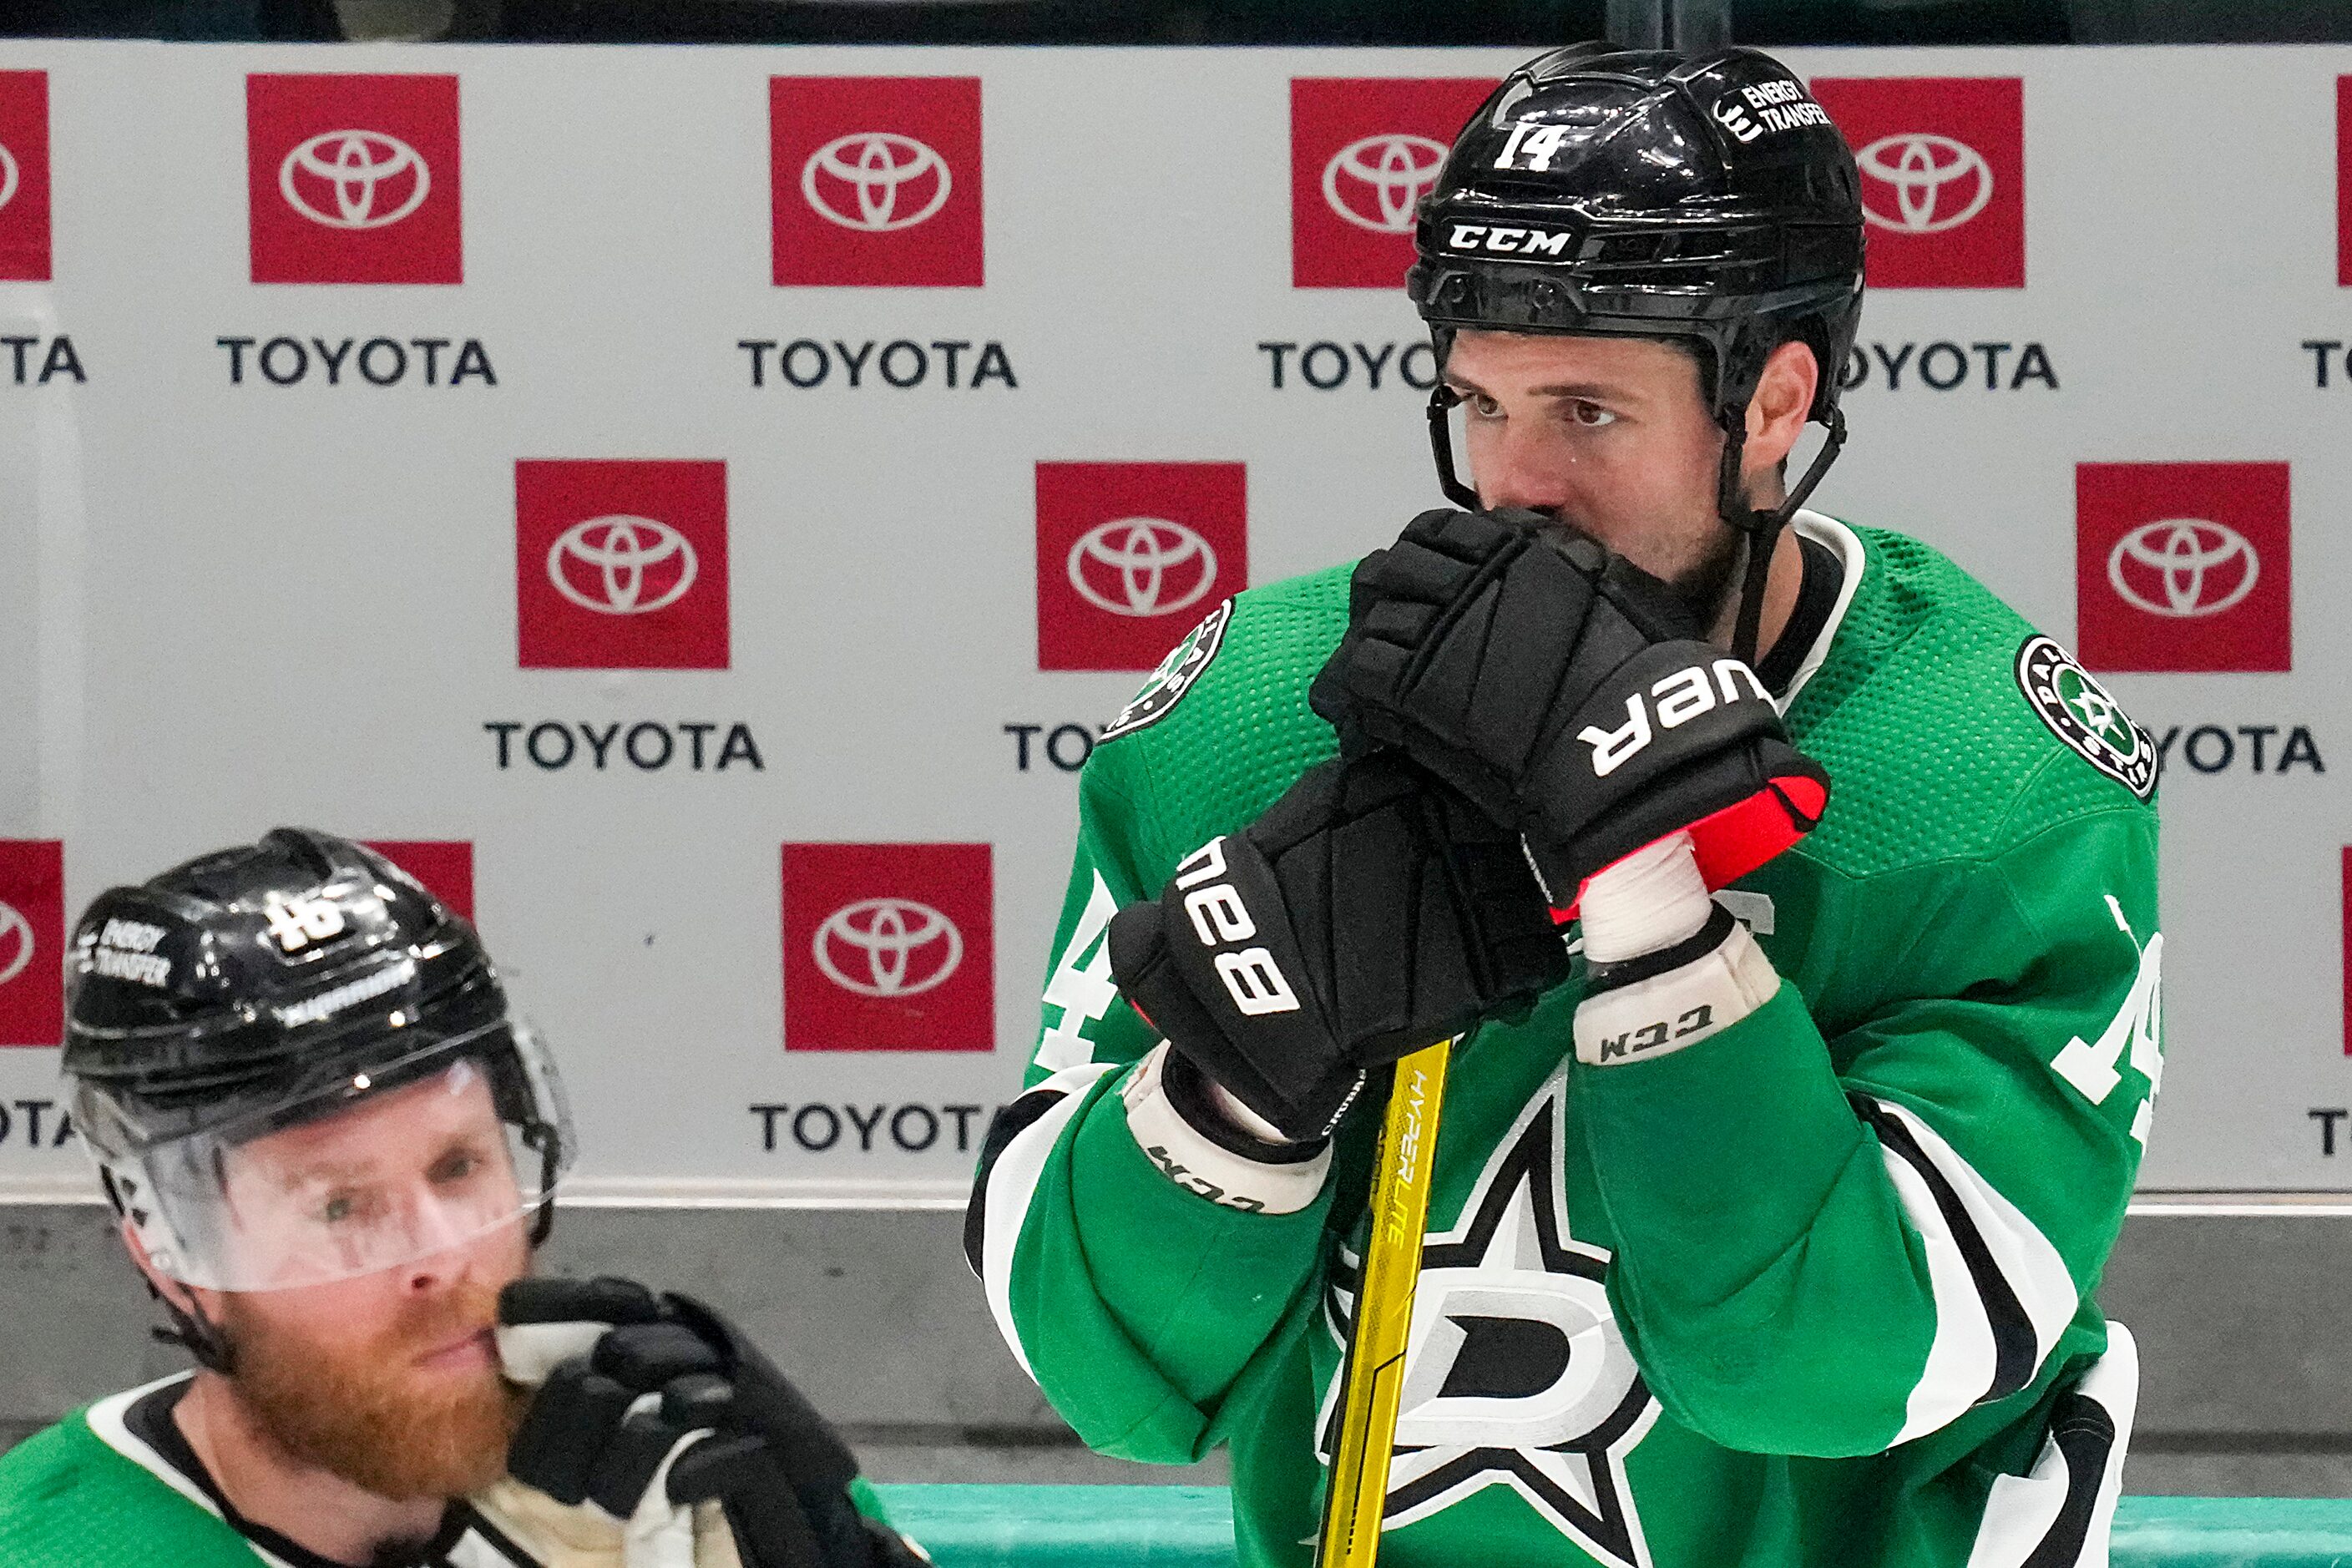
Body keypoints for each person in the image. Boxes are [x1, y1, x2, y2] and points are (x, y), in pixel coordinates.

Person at [968, 43, 2162, 1568]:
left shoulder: (1978, 783)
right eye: (1478, 402)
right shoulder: (1254, 717)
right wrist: (1238, 1084)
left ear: (1775, 398)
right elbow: (1108, 1370)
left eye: (1587, 411)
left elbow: (1845, 1361)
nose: (1514, 484)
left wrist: (1658, 914)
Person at [0, 827, 926, 1568]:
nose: (440, 1256)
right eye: (339, 1208)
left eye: (457, 1168)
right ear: (172, 1259)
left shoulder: (672, 1470)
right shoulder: (47, 1547)